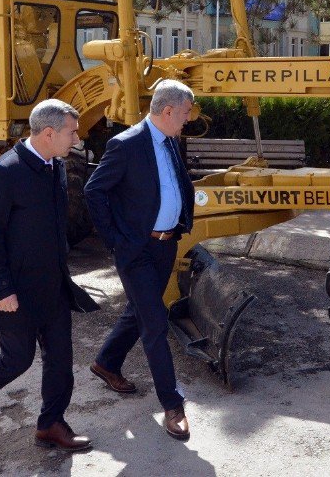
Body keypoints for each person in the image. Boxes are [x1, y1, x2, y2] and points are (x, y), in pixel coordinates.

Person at [0, 99, 100, 452]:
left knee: (60, 360)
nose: (76, 138)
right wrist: (0, 289)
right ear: (48, 133)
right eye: (71, 132)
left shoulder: (55, 166)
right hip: (16, 290)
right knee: (16, 360)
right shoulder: (5, 172)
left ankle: (51, 424)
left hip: (52, 285)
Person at [84, 79, 196, 441]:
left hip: (165, 245)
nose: (186, 120)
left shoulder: (171, 141)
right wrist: (116, 241)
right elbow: (94, 190)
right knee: (155, 324)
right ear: (167, 111)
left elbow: (174, 184)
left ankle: (105, 363)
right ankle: (172, 404)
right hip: (136, 250)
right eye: (184, 114)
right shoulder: (126, 144)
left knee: (139, 309)